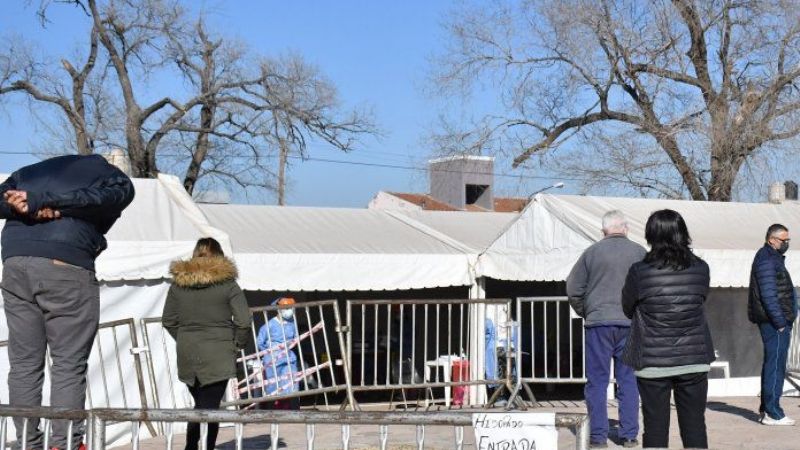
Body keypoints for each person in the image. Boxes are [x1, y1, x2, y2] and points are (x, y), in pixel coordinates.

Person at [0, 154, 134, 450]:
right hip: (66, 263)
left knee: (23, 363)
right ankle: (64, 444)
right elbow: (107, 198)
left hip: (14, 261)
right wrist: (45, 205)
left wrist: (29, 205)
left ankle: (25, 443)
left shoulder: (26, 172)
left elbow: (6, 200)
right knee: (68, 363)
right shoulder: (114, 177)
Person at [622, 209, 715, 449]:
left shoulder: (639, 271)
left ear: (651, 235)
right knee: (694, 425)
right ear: (683, 233)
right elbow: (700, 299)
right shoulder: (701, 268)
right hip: (693, 357)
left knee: (654, 427)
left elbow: (627, 307)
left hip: (652, 361)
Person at [162, 238, 251, 450]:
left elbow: (168, 321)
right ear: (219, 256)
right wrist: (237, 344)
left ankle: (195, 446)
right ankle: (197, 446)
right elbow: (244, 321)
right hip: (219, 352)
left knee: (202, 404)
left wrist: (184, 337)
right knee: (210, 407)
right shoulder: (227, 284)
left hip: (188, 352)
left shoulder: (179, 284)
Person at [566, 210, 645, 448]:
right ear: (626, 228)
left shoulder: (591, 253)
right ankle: (629, 435)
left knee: (597, 382)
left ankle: (598, 437)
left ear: (603, 231)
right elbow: (649, 288)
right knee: (629, 380)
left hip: (598, 323)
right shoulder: (640, 253)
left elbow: (573, 288)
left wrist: (586, 310)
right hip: (630, 323)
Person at [748, 223, 798, 426]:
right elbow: (769, 295)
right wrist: (779, 322)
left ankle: (767, 409)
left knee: (773, 363)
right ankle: (773, 412)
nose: (786, 243)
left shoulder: (771, 258)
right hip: (774, 322)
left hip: (776, 320)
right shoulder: (767, 260)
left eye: (788, 240)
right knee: (775, 365)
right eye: (783, 240)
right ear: (772, 240)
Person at [256, 297, 300, 409]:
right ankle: (271, 411)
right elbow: (260, 342)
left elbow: (295, 338)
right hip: (272, 359)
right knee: (273, 386)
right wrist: (271, 351)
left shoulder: (292, 323)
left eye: (291, 308)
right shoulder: (269, 325)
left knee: (292, 383)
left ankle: (294, 410)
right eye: (287, 308)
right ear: (279, 309)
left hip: (289, 358)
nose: (290, 311)